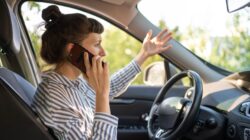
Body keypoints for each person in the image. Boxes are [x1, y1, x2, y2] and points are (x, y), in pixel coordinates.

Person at [31, 5, 172, 140]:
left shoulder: (74, 83)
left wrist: (144, 55)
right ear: (72, 50)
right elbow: (104, 94)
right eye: (97, 44)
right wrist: (102, 95)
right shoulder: (55, 95)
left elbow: (112, 86)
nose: (103, 52)